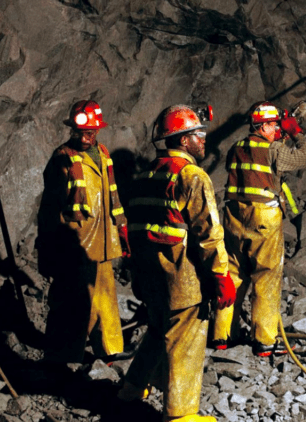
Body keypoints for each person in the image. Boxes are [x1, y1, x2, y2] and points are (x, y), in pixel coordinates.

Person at [117, 104, 234, 422]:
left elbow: (136, 232)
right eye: (198, 134)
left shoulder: (145, 176)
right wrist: (221, 274)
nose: (202, 140)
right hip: (183, 278)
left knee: (157, 332)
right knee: (186, 342)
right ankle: (181, 415)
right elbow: (208, 232)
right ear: (183, 140)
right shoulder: (191, 176)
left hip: (151, 276)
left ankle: (131, 389)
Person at [212, 101, 306, 357]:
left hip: (234, 217)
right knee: (266, 277)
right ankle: (265, 341)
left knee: (233, 275)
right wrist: (296, 133)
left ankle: (222, 336)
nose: (278, 130)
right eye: (275, 126)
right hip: (263, 217)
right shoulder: (273, 149)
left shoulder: (236, 148)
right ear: (264, 126)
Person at [37, 100, 129, 364]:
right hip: (75, 242)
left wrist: (121, 229)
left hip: (102, 239)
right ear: (72, 130)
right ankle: (63, 357)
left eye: (91, 131)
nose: (87, 137)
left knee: (105, 297)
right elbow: (50, 207)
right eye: (82, 132)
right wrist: (47, 245)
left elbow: (113, 195)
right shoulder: (62, 158)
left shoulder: (103, 153)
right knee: (72, 301)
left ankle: (110, 350)